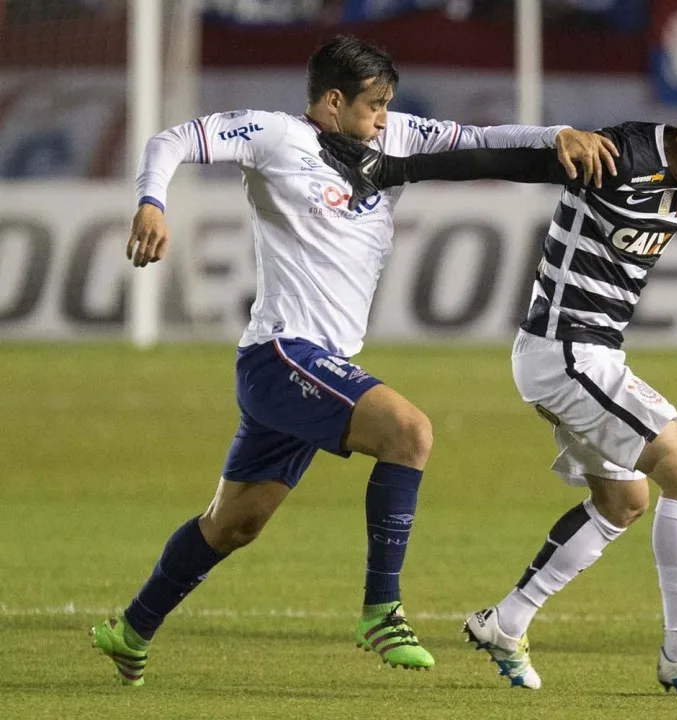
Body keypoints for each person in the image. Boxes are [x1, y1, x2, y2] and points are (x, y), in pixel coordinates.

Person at [88, 35, 617, 686]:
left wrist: (556, 134)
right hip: (282, 352)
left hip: (318, 364)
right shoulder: (278, 137)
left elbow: (477, 139)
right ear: (333, 102)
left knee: (234, 524)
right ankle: (381, 609)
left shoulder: (394, 136)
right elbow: (173, 139)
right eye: (374, 106)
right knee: (410, 432)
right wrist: (151, 201)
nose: (385, 118)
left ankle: (131, 629)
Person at [319, 83, 677, 693]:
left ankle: (506, 621)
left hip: (586, 355)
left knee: (624, 503)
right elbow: (513, 163)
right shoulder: (621, 158)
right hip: (566, 351)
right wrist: (399, 168)